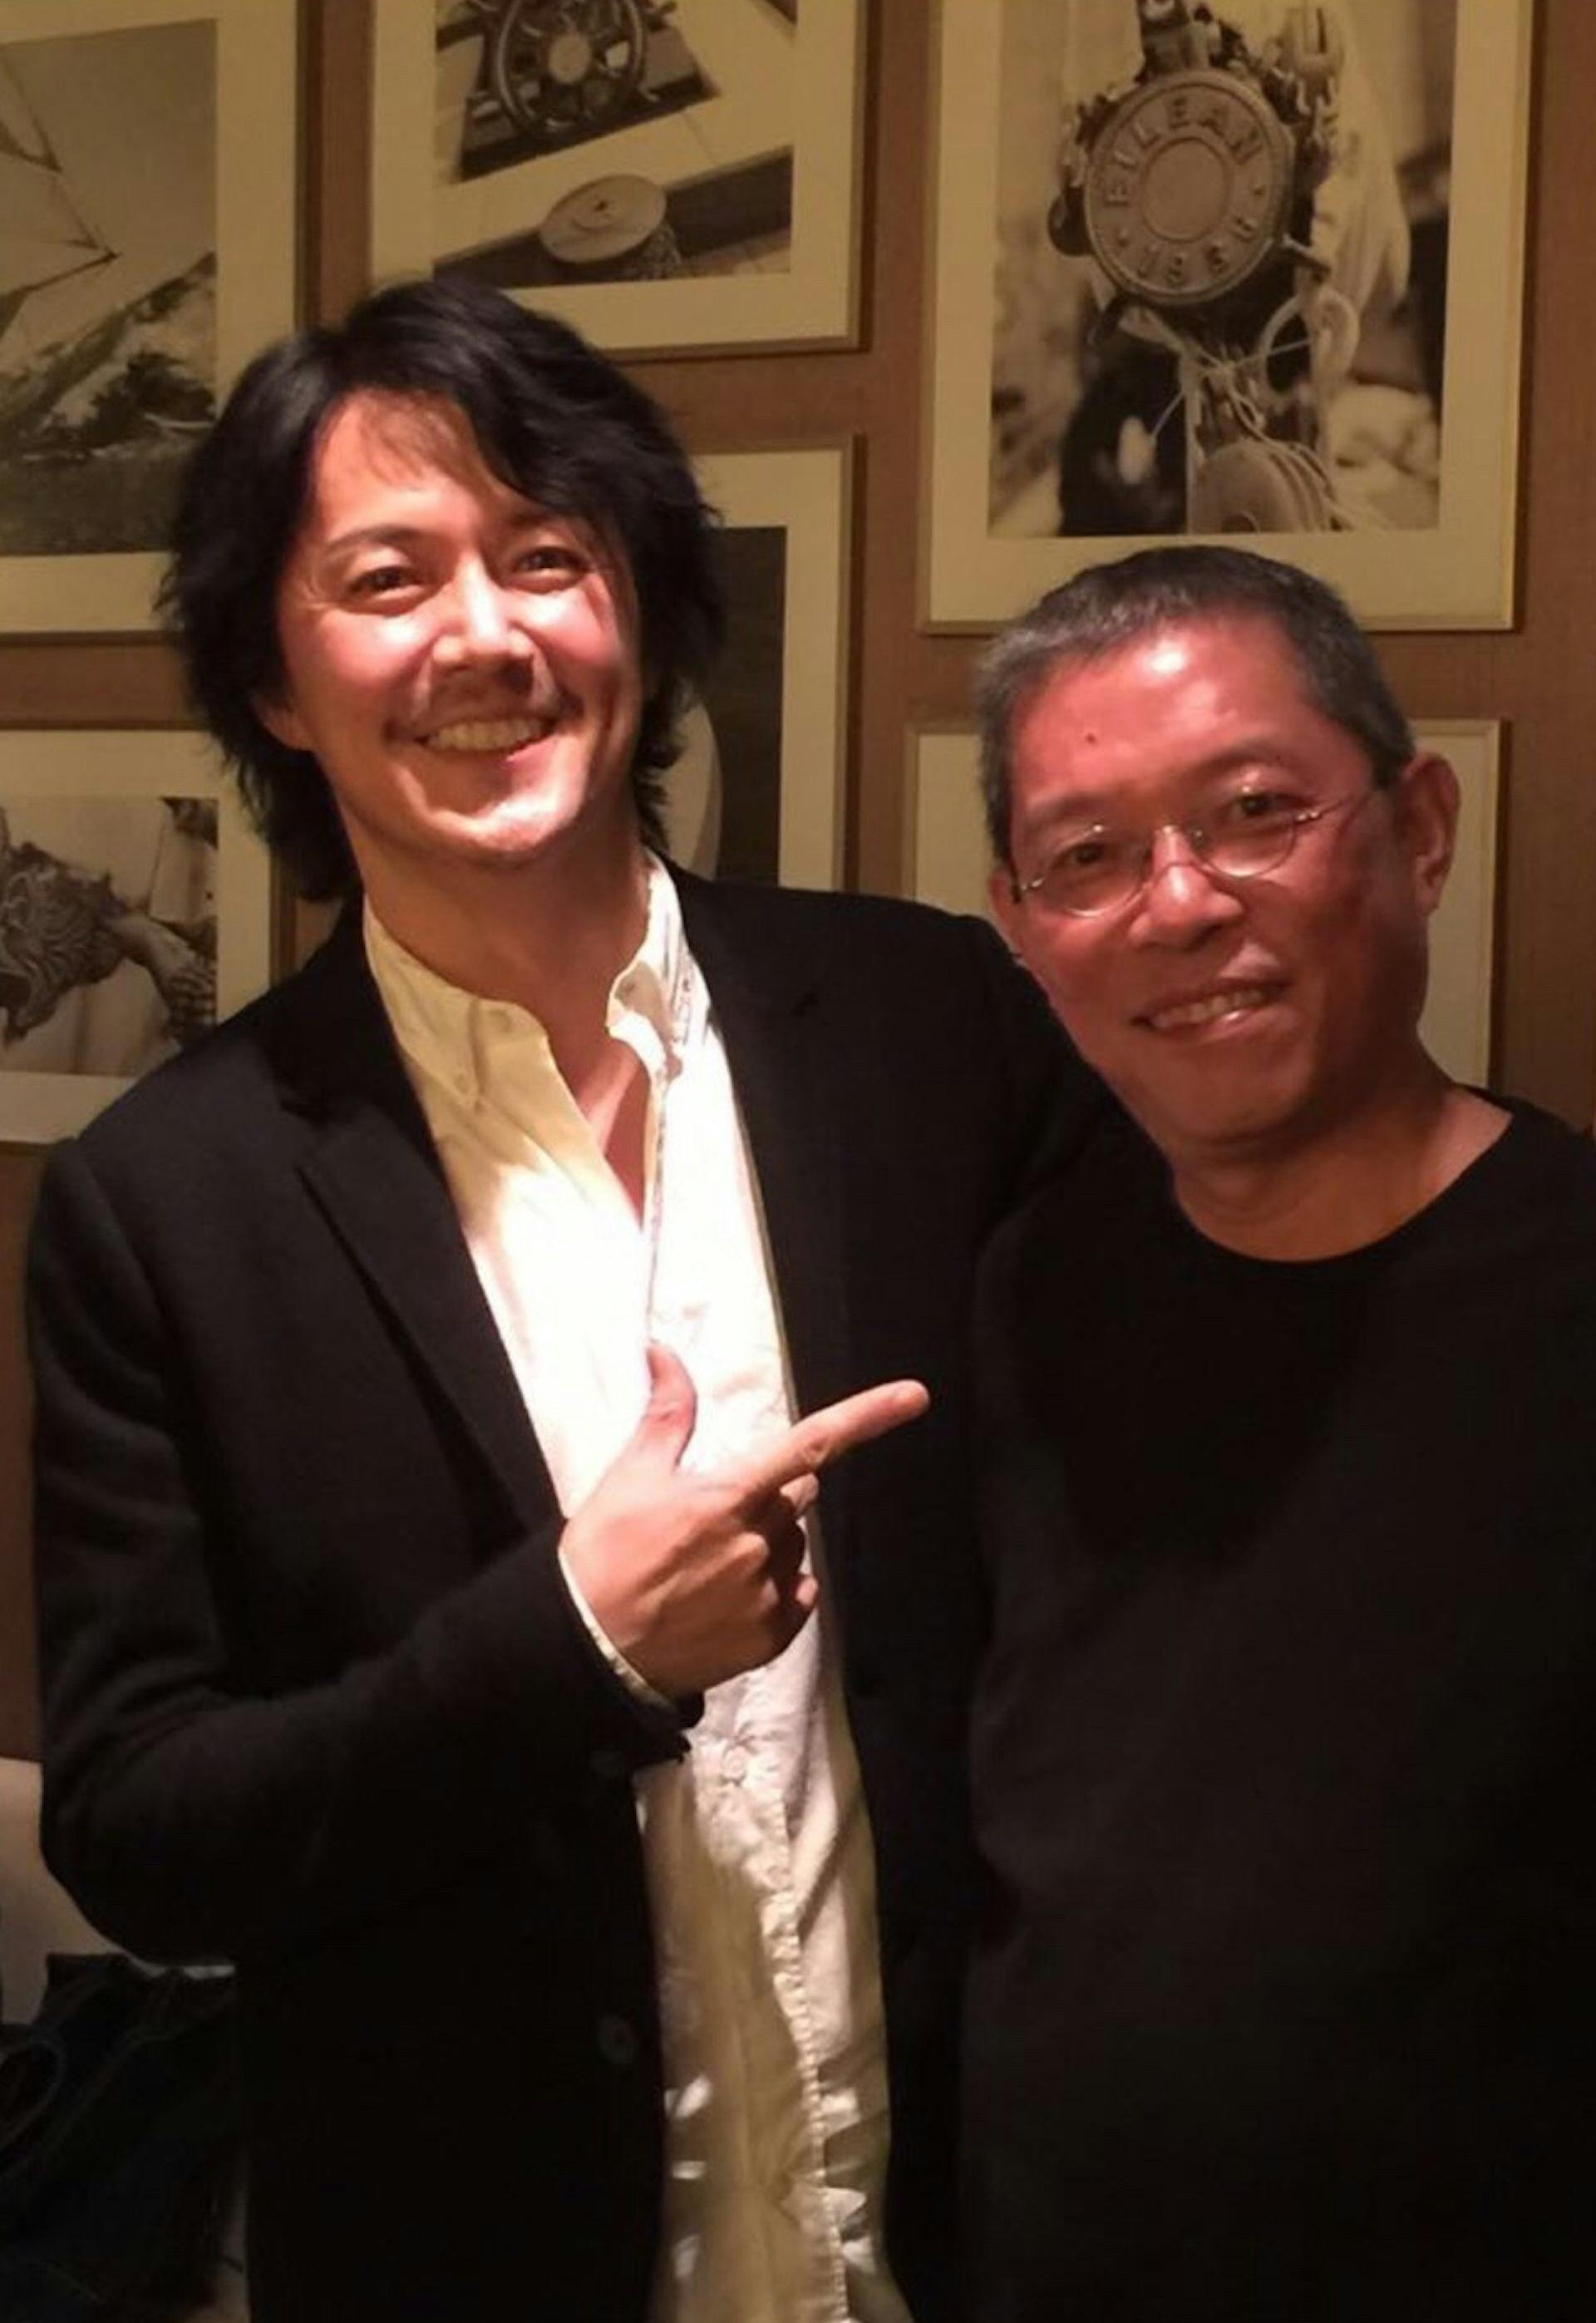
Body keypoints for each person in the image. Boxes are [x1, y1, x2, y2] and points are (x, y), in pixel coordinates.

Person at [26, 278, 1093, 2323]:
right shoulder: (165, 1200)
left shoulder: (924, 1021)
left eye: (545, 555)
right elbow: (144, 1832)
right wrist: (574, 1643)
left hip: (961, 2236)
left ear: (643, 614)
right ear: (272, 678)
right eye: (387, 578)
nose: (484, 636)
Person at [963, 543, 1596, 2321]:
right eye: (1088, 856)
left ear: (1421, 830)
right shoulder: (1021, 1292)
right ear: (1021, 926)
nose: (1177, 904)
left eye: (1254, 813)